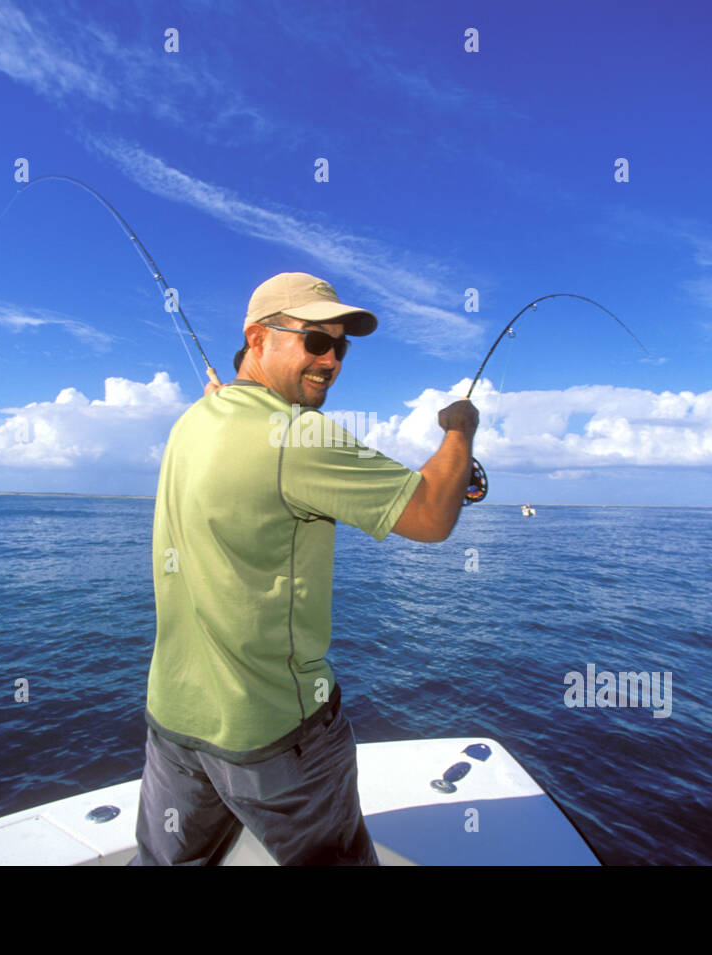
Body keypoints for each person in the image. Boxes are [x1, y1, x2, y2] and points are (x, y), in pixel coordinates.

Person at [129, 271, 478, 865]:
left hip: (174, 720)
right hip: (275, 733)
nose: (331, 360)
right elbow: (432, 514)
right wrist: (459, 431)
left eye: (340, 347)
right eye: (314, 341)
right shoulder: (300, 435)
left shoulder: (192, 422)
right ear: (257, 338)